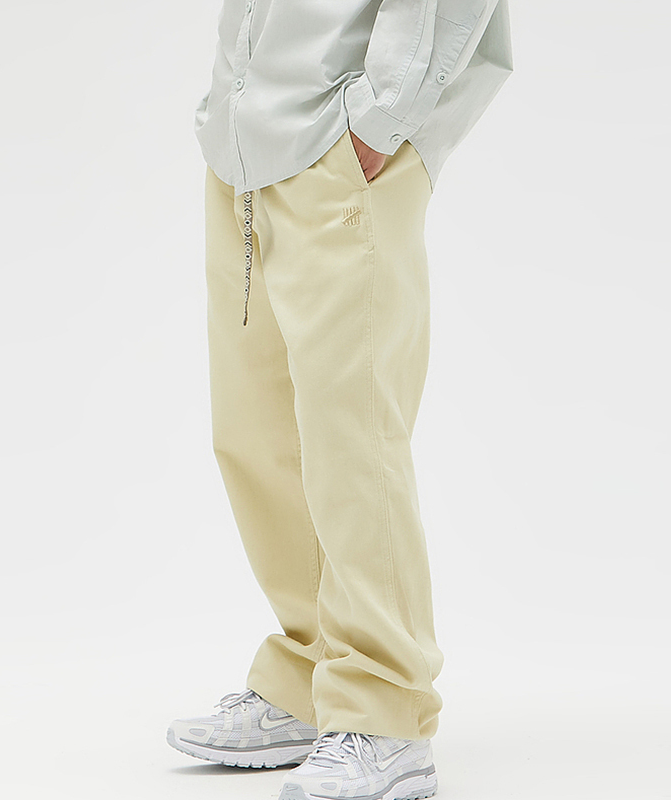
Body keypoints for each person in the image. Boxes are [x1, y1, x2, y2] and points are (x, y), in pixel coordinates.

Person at [167, 2, 513, 798]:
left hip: (340, 138)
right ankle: (314, 675)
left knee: (351, 435)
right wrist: (228, 103)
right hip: (248, 139)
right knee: (256, 433)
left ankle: (384, 710)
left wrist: (381, 117)